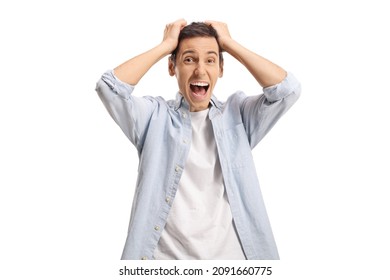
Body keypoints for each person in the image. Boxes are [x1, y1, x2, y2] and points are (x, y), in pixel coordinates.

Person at [95, 19, 301, 260]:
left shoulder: (238, 115)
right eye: (189, 59)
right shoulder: (154, 117)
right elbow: (108, 87)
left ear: (221, 69)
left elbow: (288, 90)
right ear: (172, 67)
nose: (200, 70)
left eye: (211, 60)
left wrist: (229, 44)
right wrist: (166, 46)